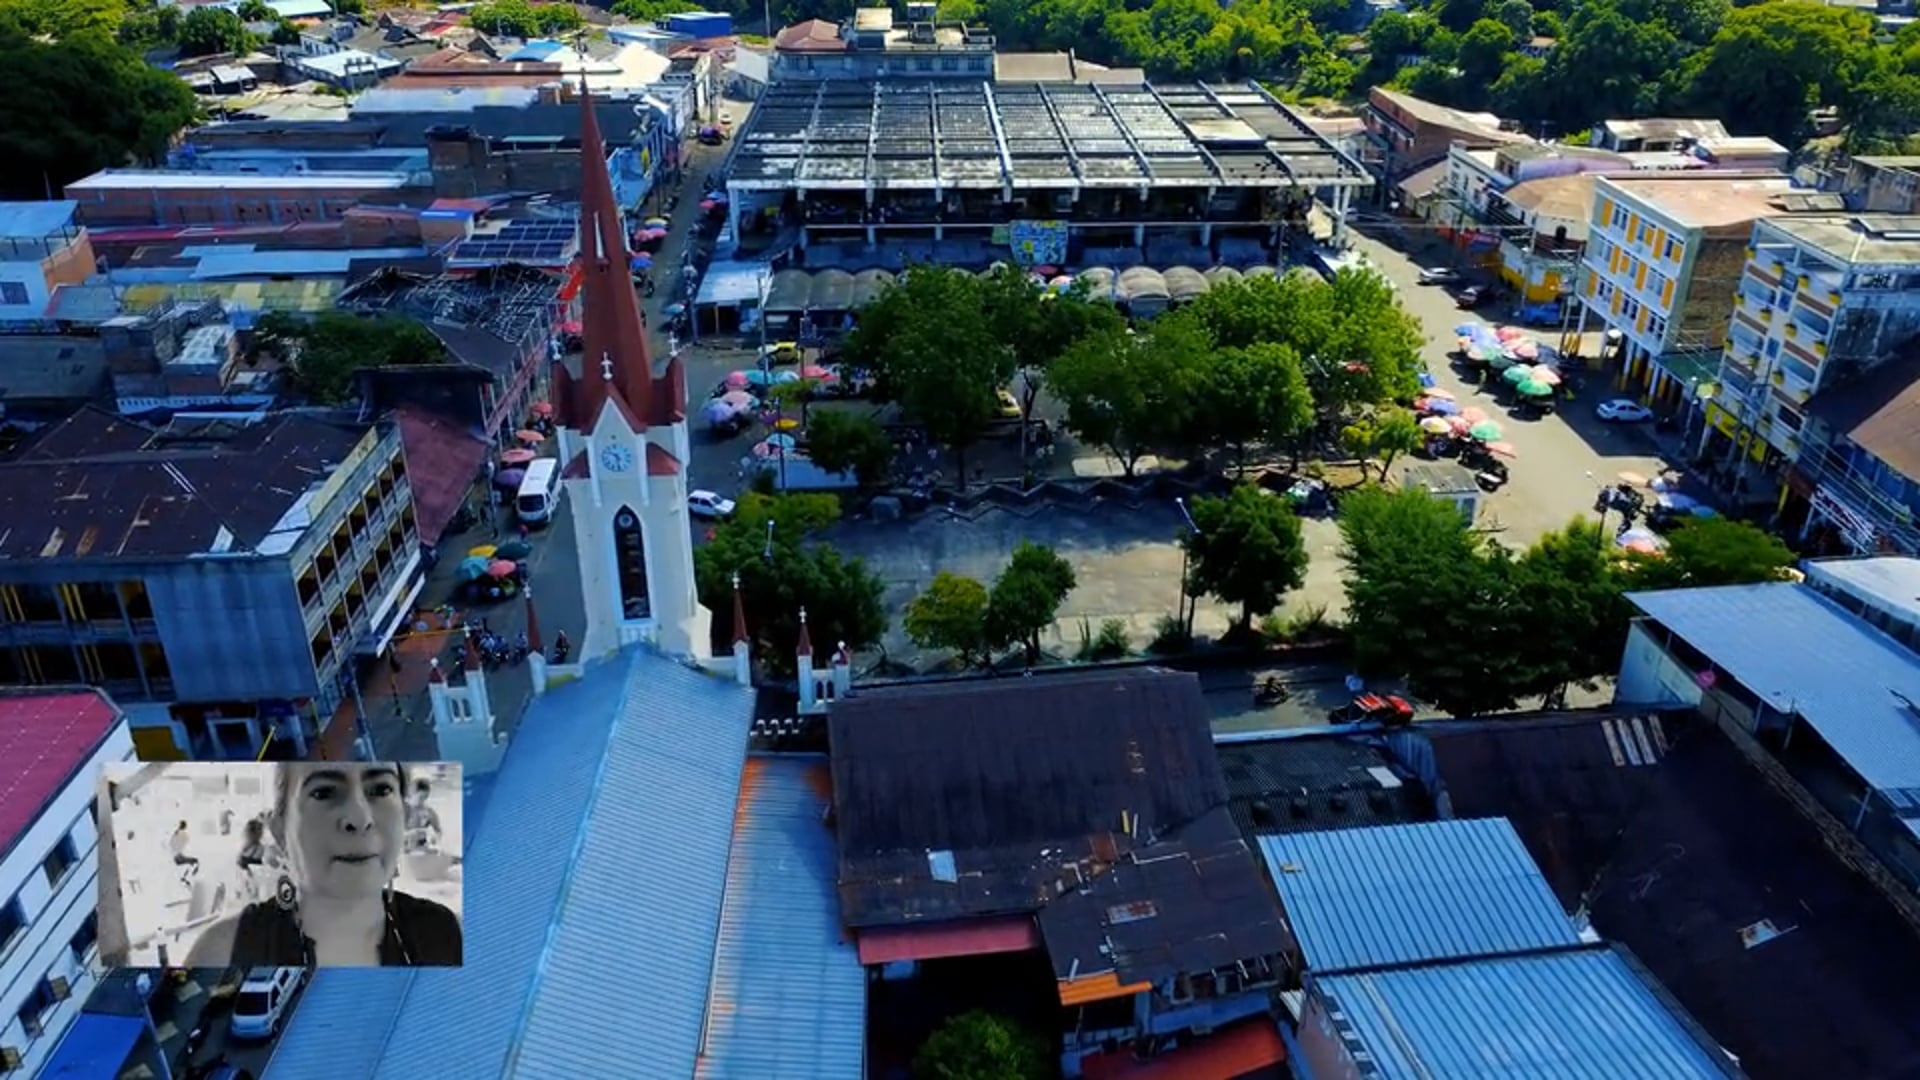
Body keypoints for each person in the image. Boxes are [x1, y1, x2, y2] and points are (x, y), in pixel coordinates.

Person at [185, 763, 462, 968]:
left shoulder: (451, 936)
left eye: (380, 789)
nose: (359, 817)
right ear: (280, 831)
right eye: (324, 793)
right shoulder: (220, 953)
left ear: (405, 816)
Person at [404, 778, 442, 855]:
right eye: (421, 797)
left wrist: (435, 838)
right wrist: (412, 833)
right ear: (412, 794)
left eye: (426, 797)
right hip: (404, 848)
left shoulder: (429, 812)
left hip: (421, 847)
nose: (424, 801)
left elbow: (438, 831)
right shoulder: (402, 810)